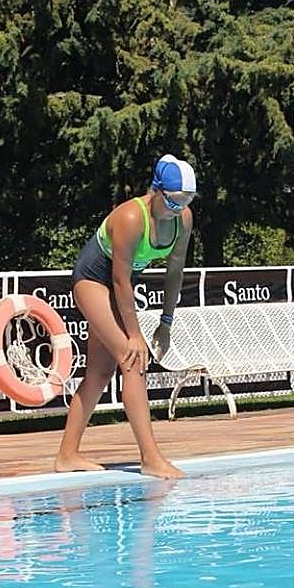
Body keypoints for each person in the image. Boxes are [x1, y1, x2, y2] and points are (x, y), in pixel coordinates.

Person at [55, 154, 195, 478]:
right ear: (156, 190)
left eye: (187, 200)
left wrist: (167, 322)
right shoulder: (131, 217)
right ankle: (150, 458)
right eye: (173, 200)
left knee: (99, 373)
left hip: (117, 287)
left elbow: (175, 272)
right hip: (93, 282)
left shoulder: (183, 219)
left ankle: (67, 455)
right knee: (133, 360)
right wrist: (134, 335)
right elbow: (120, 281)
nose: (178, 207)